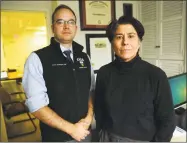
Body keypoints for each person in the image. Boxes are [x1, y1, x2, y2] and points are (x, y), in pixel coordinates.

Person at [94, 16, 176, 142]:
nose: (125, 42)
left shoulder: (156, 75)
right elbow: (99, 112)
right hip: (108, 137)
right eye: (119, 37)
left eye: (131, 36)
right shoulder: (104, 73)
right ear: (112, 43)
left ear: (139, 41)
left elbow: (168, 121)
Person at [22, 4, 95, 142]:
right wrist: (72, 129)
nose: (66, 26)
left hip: (85, 133)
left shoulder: (84, 57)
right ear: (53, 28)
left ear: (76, 28)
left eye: (71, 22)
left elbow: (91, 91)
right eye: (60, 22)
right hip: (56, 137)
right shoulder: (37, 58)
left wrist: (88, 119)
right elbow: (36, 105)